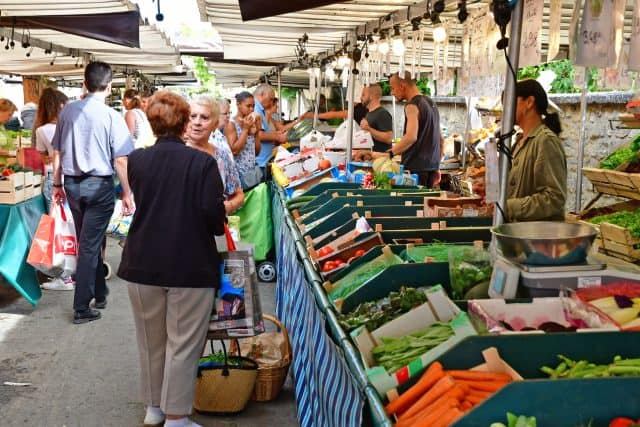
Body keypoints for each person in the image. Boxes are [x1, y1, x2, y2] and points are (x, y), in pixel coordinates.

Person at [117, 90, 225, 427]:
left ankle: (155, 409)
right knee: (183, 344)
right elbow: (213, 216)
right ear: (182, 123)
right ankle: (177, 417)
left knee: (151, 342)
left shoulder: (137, 160)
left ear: (152, 121)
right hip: (190, 264)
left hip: (142, 261)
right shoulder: (203, 163)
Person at [52, 61, 135, 325]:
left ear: (84, 83)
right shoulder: (112, 116)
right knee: (90, 244)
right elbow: (121, 160)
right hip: (99, 185)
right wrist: (128, 192)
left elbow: (58, 152)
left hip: (72, 184)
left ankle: (99, 293)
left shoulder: (67, 112)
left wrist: (56, 183)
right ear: (109, 87)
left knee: (90, 241)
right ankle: (81, 307)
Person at [506, 79, 567, 222]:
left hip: (538, 239)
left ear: (529, 102)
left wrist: (508, 206)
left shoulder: (546, 141)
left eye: (511, 101)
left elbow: (554, 198)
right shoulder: (519, 141)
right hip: (518, 234)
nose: (507, 108)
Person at [33, 88, 74, 291]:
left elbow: (44, 157)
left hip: (53, 178)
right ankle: (71, 272)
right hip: (72, 178)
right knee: (71, 227)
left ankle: (63, 276)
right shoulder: (70, 126)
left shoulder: (42, 130)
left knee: (56, 228)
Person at [187, 95, 244, 214]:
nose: (197, 122)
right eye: (193, 116)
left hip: (214, 228)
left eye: (204, 118)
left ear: (215, 124)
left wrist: (224, 208)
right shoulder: (175, 154)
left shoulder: (221, 156)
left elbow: (238, 194)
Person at [389, 71, 443, 188]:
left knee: (413, 205)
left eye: (393, 88)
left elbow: (411, 137)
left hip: (415, 170)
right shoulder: (431, 103)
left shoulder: (412, 106)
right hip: (431, 168)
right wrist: (437, 165)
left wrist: (390, 153)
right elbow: (439, 138)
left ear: (402, 86)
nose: (392, 92)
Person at [225, 91, 262, 190]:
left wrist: (257, 132)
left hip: (253, 174)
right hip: (240, 176)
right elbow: (234, 151)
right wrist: (245, 130)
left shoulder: (251, 123)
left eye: (253, 106)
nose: (251, 109)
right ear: (238, 105)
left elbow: (257, 152)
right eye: (248, 106)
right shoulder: (231, 124)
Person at [254, 84, 286, 172]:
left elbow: (264, 131)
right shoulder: (256, 109)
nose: (271, 103)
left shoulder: (260, 109)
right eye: (270, 99)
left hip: (264, 160)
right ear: (261, 95)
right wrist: (277, 137)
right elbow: (259, 135)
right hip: (261, 162)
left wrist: (275, 134)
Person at [359, 83, 393, 152]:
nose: (360, 98)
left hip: (380, 159)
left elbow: (388, 138)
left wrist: (369, 129)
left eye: (363, 95)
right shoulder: (369, 113)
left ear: (371, 96)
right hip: (371, 158)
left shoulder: (382, 113)